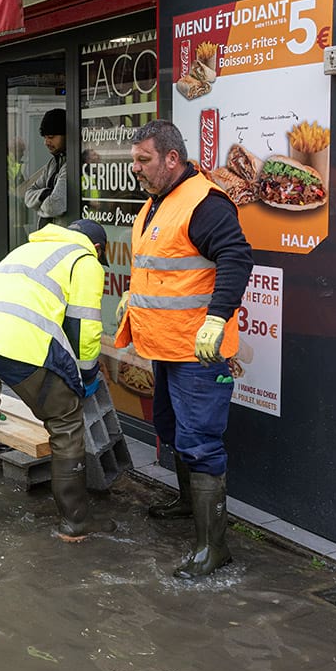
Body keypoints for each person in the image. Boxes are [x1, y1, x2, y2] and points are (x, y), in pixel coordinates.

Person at [115, 119, 253, 578]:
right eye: (134, 160)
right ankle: (185, 502)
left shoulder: (205, 204)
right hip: (166, 346)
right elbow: (165, 267)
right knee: (169, 427)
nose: (136, 169)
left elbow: (236, 256)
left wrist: (218, 317)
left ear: (172, 159)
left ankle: (214, 548)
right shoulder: (158, 202)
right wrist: (133, 296)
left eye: (143, 160)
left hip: (199, 351)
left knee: (200, 440)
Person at [0, 219, 114, 540]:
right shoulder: (85, 260)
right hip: (20, 340)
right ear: (97, 248)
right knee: (66, 425)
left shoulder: (27, 249)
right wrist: (86, 375)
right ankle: (75, 522)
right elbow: (84, 327)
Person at [22, 108, 68, 228]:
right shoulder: (53, 163)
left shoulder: (71, 165)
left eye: (51, 137)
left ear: (66, 135)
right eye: (45, 137)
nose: (46, 142)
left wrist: (39, 204)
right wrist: (45, 194)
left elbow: (54, 206)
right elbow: (27, 196)